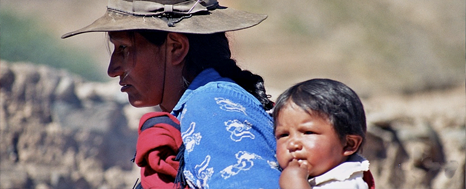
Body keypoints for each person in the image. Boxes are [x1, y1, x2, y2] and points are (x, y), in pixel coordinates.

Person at [62, 0, 280, 188]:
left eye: (124, 49)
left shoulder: (210, 106)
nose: (112, 69)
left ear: (176, 47)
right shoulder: (200, 107)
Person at [272, 78, 375, 189]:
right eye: (284, 135)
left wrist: (295, 184)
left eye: (308, 132)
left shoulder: (347, 183)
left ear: (348, 144)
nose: (292, 145)